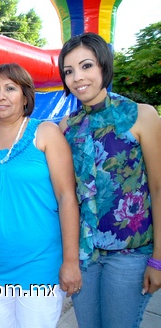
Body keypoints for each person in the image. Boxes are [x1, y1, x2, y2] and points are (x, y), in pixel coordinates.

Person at [0, 63, 82, 327]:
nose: (1, 96)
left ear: (25, 95)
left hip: (39, 264)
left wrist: (71, 261)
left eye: (10, 88)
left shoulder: (45, 133)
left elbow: (67, 198)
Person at [57, 32, 161, 327]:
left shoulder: (141, 116)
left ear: (104, 66)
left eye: (86, 66)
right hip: (85, 256)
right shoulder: (67, 126)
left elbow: (158, 187)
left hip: (130, 255)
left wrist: (158, 259)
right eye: (69, 71)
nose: (77, 77)